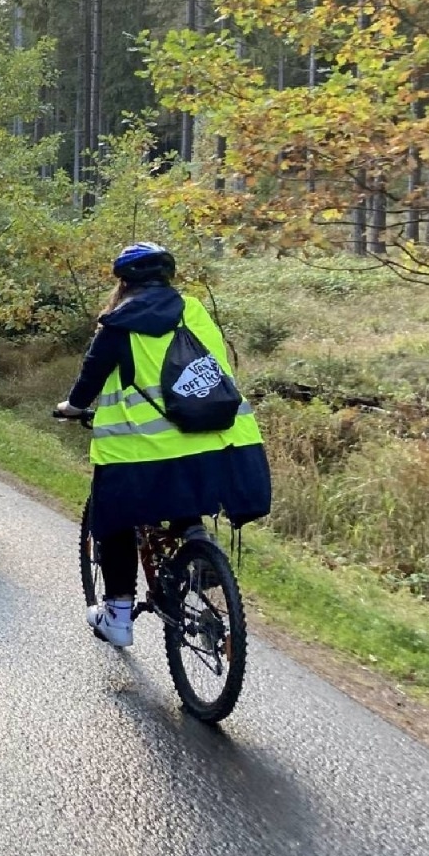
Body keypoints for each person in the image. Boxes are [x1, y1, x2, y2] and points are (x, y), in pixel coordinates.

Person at [54, 242, 270, 648]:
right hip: (224, 444)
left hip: (142, 456)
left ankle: (118, 614)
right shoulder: (194, 311)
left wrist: (71, 408)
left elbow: (89, 383)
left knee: (115, 522)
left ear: (123, 283)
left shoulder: (117, 325)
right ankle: (197, 543)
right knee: (185, 485)